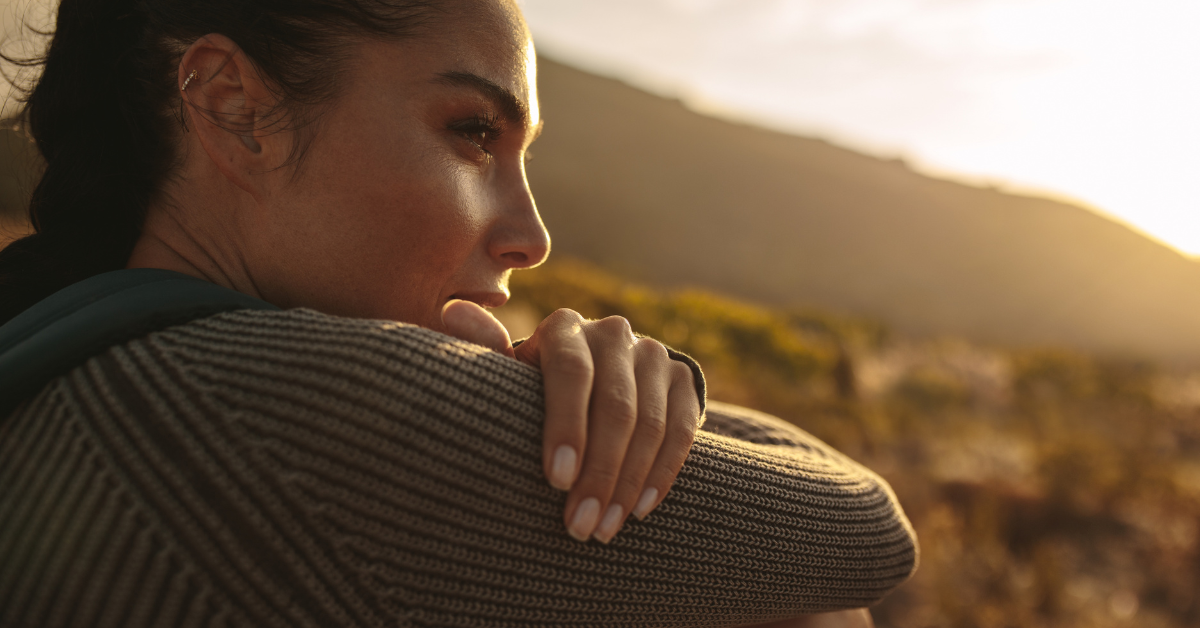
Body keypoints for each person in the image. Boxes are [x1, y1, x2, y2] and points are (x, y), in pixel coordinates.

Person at [0, 0, 918, 626]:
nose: (532, 236)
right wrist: (633, 401)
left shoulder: (65, 341)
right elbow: (867, 528)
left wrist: (643, 395)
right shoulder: (269, 407)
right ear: (235, 107)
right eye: (474, 132)